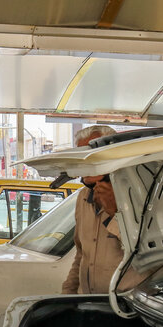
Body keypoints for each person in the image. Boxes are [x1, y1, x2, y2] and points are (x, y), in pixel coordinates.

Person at [62, 125, 142, 294]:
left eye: (92, 157)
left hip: (126, 306)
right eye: (82, 158)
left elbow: (143, 251)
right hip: (90, 303)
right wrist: (67, 296)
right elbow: (81, 254)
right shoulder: (84, 197)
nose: (86, 165)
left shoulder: (137, 195)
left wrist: (115, 212)